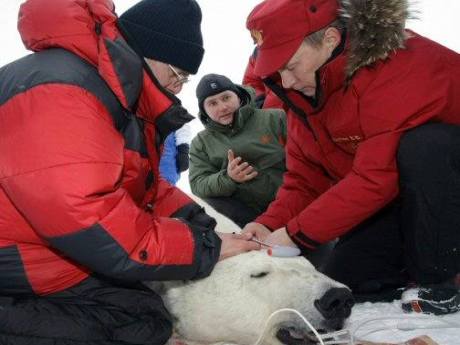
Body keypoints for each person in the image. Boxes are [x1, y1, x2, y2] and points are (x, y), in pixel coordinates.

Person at [0, 0, 259, 343]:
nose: (178, 88)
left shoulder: (106, 89)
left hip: (40, 248)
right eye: (178, 74)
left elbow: (142, 185)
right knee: (136, 326)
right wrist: (205, 249)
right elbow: (87, 218)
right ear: (149, 54)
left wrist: (200, 221)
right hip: (19, 257)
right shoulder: (66, 91)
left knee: (146, 316)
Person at [243, 0, 460, 314]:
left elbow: (375, 179)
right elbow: (304, 182)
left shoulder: (398, 66)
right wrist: (268, 224)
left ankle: (439, 281)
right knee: (345, 278)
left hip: (444, 187)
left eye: (290, 66)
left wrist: (294, 234)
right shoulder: (305, 94)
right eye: (277, 71)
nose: (285, 82)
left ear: (330, 39)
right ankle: (409, 270)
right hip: (408, 200)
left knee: (425, 146)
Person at [189, 73, 287, 228]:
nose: (222, 107)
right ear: (204, 110)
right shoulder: (200, 143)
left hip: (289, 205)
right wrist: (229, 178)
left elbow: (304, 157)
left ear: (239, 96)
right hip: (245, 215)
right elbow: (198, 184)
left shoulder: (276, 118)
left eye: (226, 97)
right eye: (212, 103)